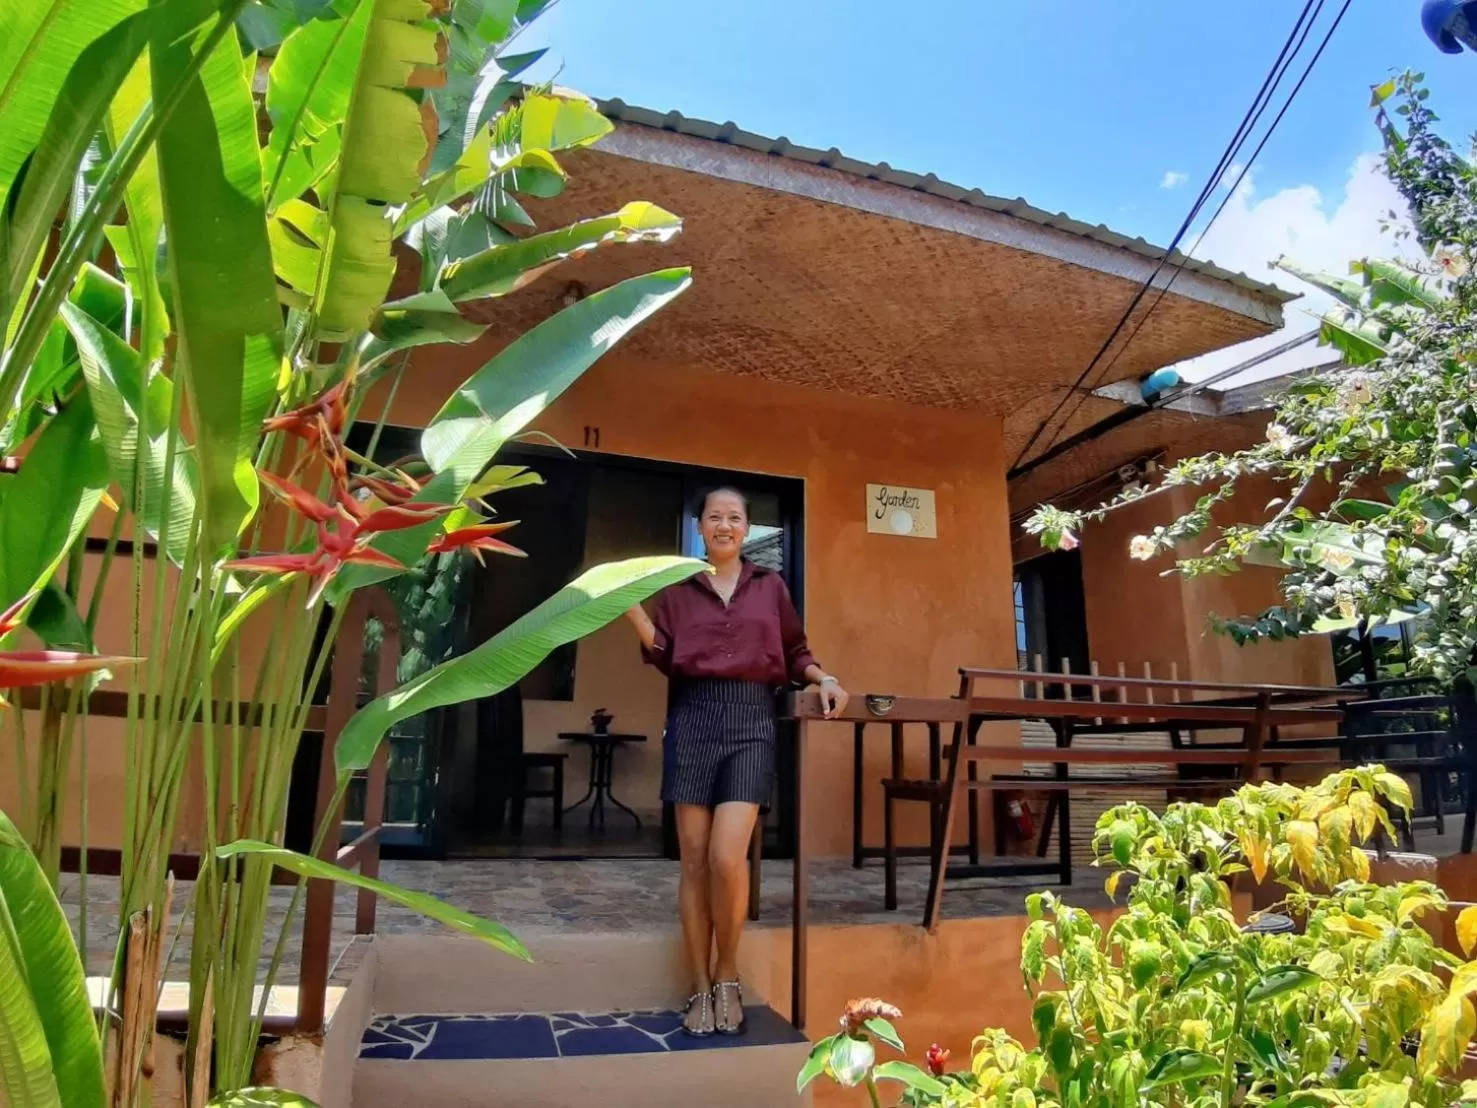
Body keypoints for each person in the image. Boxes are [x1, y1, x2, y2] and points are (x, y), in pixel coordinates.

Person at [625, 487, 847, 1036]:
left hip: (751, 722)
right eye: (714, 517)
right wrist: (624, 604)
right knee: (694, 862)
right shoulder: (677, 590)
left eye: (735, 518)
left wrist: (826, 679)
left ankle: (728, 971)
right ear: (699, 526)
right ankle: (700, 983)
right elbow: (660, 652)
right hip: (692, 719)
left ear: (746, 529)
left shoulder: (770, 587)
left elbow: (796, 650)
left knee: (729, 856)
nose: (724, 525)